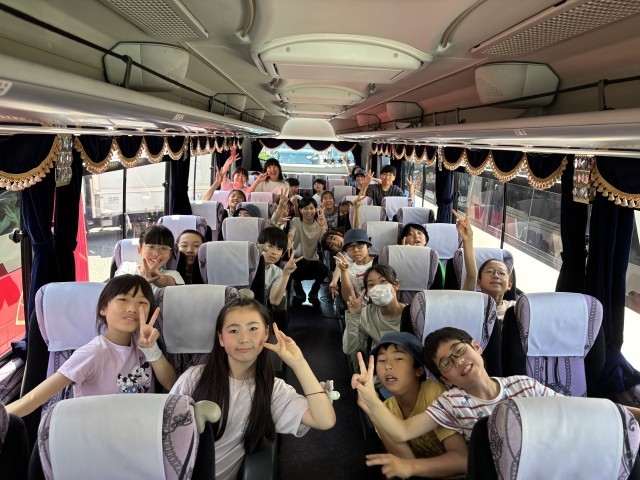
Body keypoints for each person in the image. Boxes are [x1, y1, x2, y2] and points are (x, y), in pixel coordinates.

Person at [170, 295, 336, 480]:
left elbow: (324, 420)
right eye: (233, 331)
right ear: (221, 338)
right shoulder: (194, 378)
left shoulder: (273, 391)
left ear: (266, 333)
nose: (244, 339)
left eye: (253, 329)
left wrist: (299, 363)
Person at [352, 326, 560, 447]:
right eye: (446, 363)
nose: (458, 361)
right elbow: (403, 432)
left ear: (476, 347)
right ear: (445, 379)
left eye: (459, 350)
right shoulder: (451, 403)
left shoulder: (524, 385)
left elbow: (569, 414)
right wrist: (370, 398)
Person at [6, 275, 177, 417]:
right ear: (103, 309)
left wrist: (151, 349)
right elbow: (31, 400)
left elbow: (171, 384)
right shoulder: (94, 353)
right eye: (123, 299)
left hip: (140, 430)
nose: (132, 308)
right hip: (98, 435)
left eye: (142, 303)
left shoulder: (144, 344)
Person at [363, 332, 467, 479]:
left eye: (398, 358)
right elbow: (406, 462)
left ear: (418, 370)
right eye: (381, 360)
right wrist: (371, 407)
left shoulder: (433, 392)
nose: (388, 366)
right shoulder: (385, 409)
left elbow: (462, 461)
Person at [399, 208, 477, 291]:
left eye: (419, 233)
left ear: (426, 240)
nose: (416, 236)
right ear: (403, 240)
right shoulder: (396, 260)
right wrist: (403, 252)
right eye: (410, 234)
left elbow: (439, 293)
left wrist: (468, 240)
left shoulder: (435, 264)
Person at [342, 265, 409, 358]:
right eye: (371, 284)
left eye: (383, 281)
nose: (377, 287)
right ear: (368, 292)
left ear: (396, 285)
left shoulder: (413, 314)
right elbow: (349, 348)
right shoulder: (367, 314)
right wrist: (354, 315)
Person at [272, 195, 329, 301]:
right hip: (297, 259)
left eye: (311, 208)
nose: (309, 211)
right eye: (305, 208)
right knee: (302, 263)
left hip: (313, 260)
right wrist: (289, 241)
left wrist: (323, 228)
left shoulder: (319, 223)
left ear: (315, 209)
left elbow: (323, 242)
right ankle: (297, 284)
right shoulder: (296, 221)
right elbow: (291, 234)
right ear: (300, 210)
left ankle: (315, 288)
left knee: (324, 270)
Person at [115, 225, 184, 292]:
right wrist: (143, 283)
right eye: (151, 247)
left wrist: (158, 279)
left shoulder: (174, 275)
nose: (156, 253)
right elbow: (116, 289)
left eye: (164, 248)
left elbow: (169, 282)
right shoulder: (128, 267)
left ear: (170, 254)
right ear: (140, 250)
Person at [258, 227, 302, 308]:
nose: (274, 252)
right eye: (270, 246)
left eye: (279, 249)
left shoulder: (278, 273)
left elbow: (274, 301)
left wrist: (286, 274)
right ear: (259, 245)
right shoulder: (246, 264)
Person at [333, 228, 374, 302]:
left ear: (368, 247)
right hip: (360, 307)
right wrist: (344, 271)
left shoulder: (380, 262)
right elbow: (347, 297)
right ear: (346, 252)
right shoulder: (348, 269)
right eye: (350, 247)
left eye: (360, 245)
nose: (355, 250)